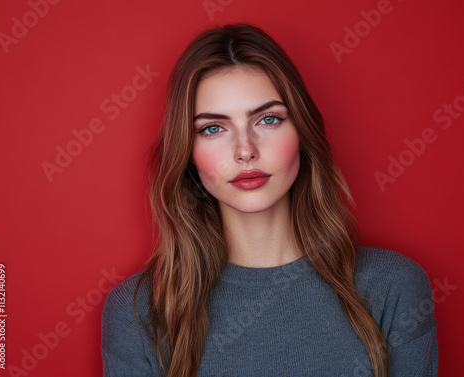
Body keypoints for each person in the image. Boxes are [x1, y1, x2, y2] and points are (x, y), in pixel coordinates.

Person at [101, 22, 438, 377]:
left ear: (303, 133)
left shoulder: (393, 287)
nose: (245, 150)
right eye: (213, 128)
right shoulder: (138, 312)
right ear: (187, 152)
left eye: (268, 119)